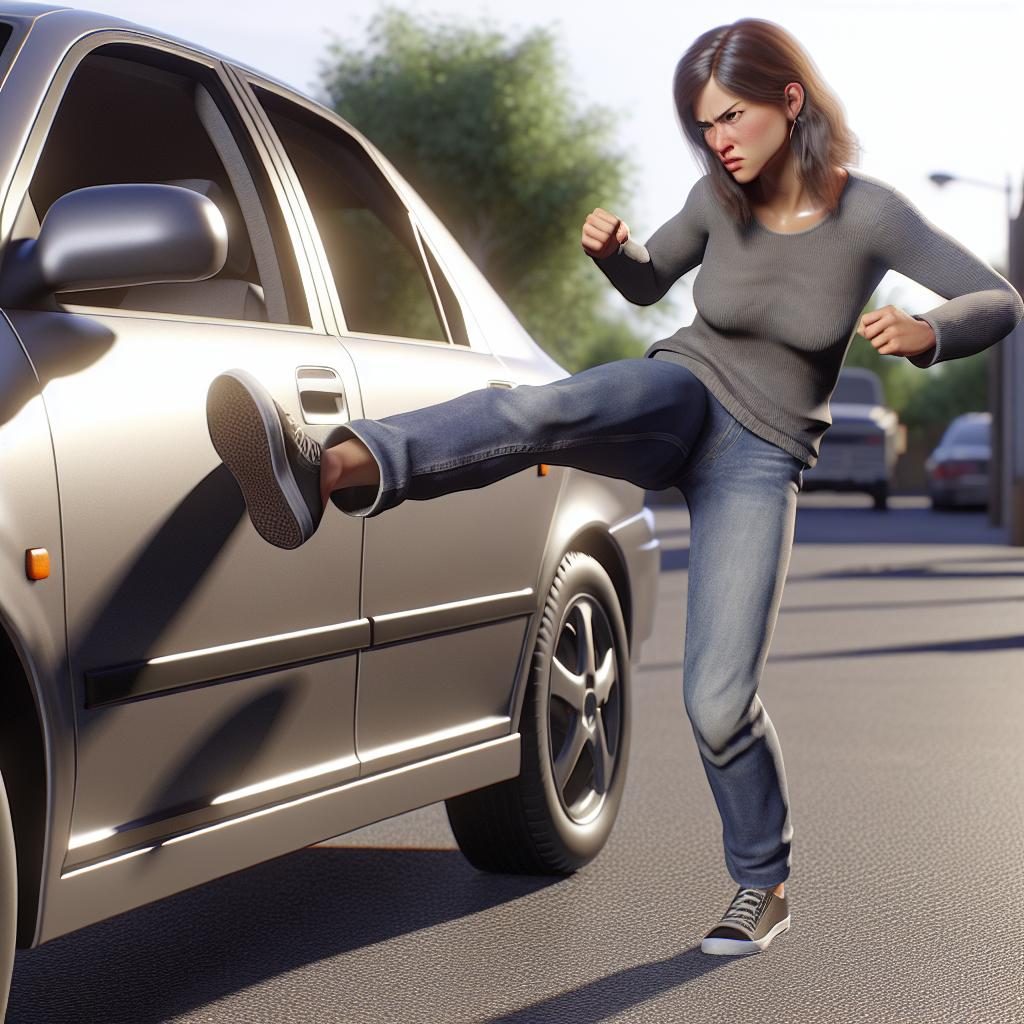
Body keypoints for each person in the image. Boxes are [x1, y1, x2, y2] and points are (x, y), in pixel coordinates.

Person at [205, 17, 1024, 956]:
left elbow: (998, 297)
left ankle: (764, 883)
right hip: (680, 391)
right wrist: (616, 255)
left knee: (719, 702)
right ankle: (330, 467)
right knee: (536, 412)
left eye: (731, 117)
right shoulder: (716, 201)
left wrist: (930, 332)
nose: (717, 139)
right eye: (702, 124)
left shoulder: (868, 214)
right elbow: (650, 283)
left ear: (787, 102)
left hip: (762, 455)